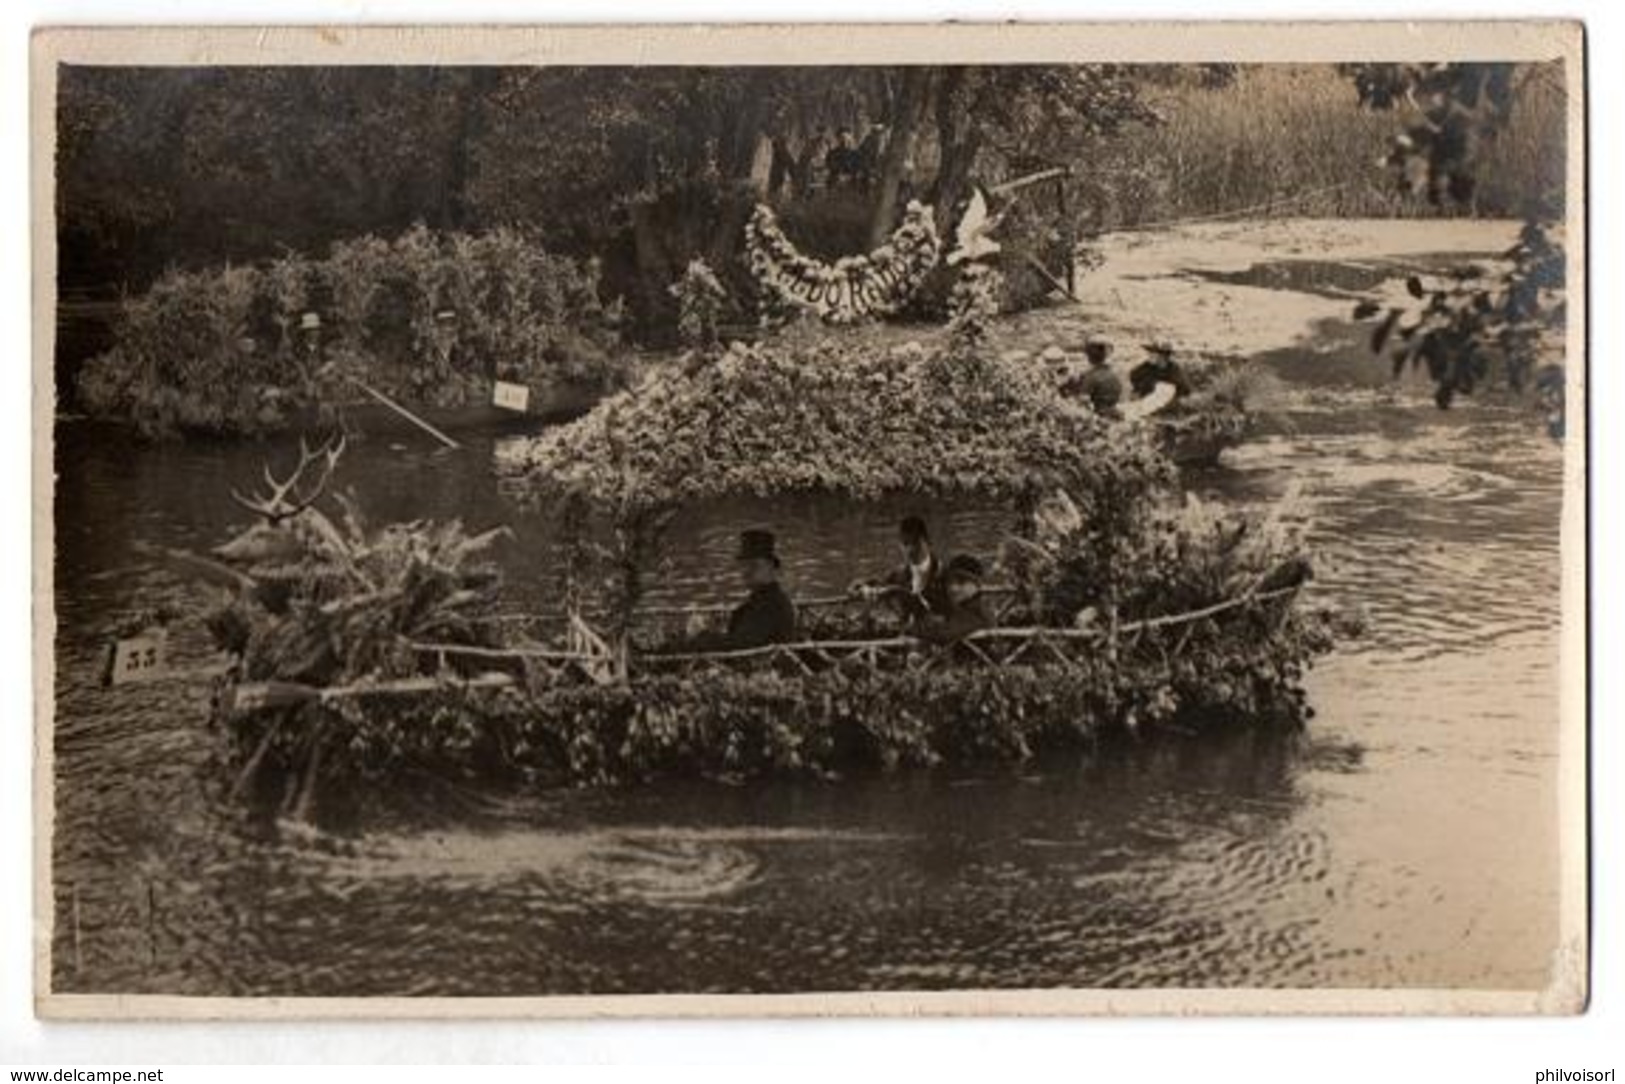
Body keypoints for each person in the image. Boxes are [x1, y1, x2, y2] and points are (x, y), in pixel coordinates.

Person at [849, 515, 949, 622]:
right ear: (899, 545)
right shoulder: (897, 576)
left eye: (915, 543)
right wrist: (862, 589)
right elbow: (863, 585)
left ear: (927, 542)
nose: (910, 550)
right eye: (905, 544)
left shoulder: (946, 575)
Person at [723, 529, 798, 649]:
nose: (745, 572)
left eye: (754, 565)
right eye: (743, 565)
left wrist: (702, 640)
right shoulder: (760, 600)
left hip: (767, 666)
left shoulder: (772, 604)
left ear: (772, 568)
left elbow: (742, 642)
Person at [915, 554, 993, 644]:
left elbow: (943, 633)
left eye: (961, 582)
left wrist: (914, 628)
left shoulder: (977, 611)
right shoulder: (964, 607)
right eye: (949, 582)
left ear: (977, 585)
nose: (953, 588)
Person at [1064, 336, 1123, 419]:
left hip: (1099, 416)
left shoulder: (1091, 377)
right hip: (1115, 412)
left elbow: (1083, 401)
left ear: (1089, 356)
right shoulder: (1115, 373)